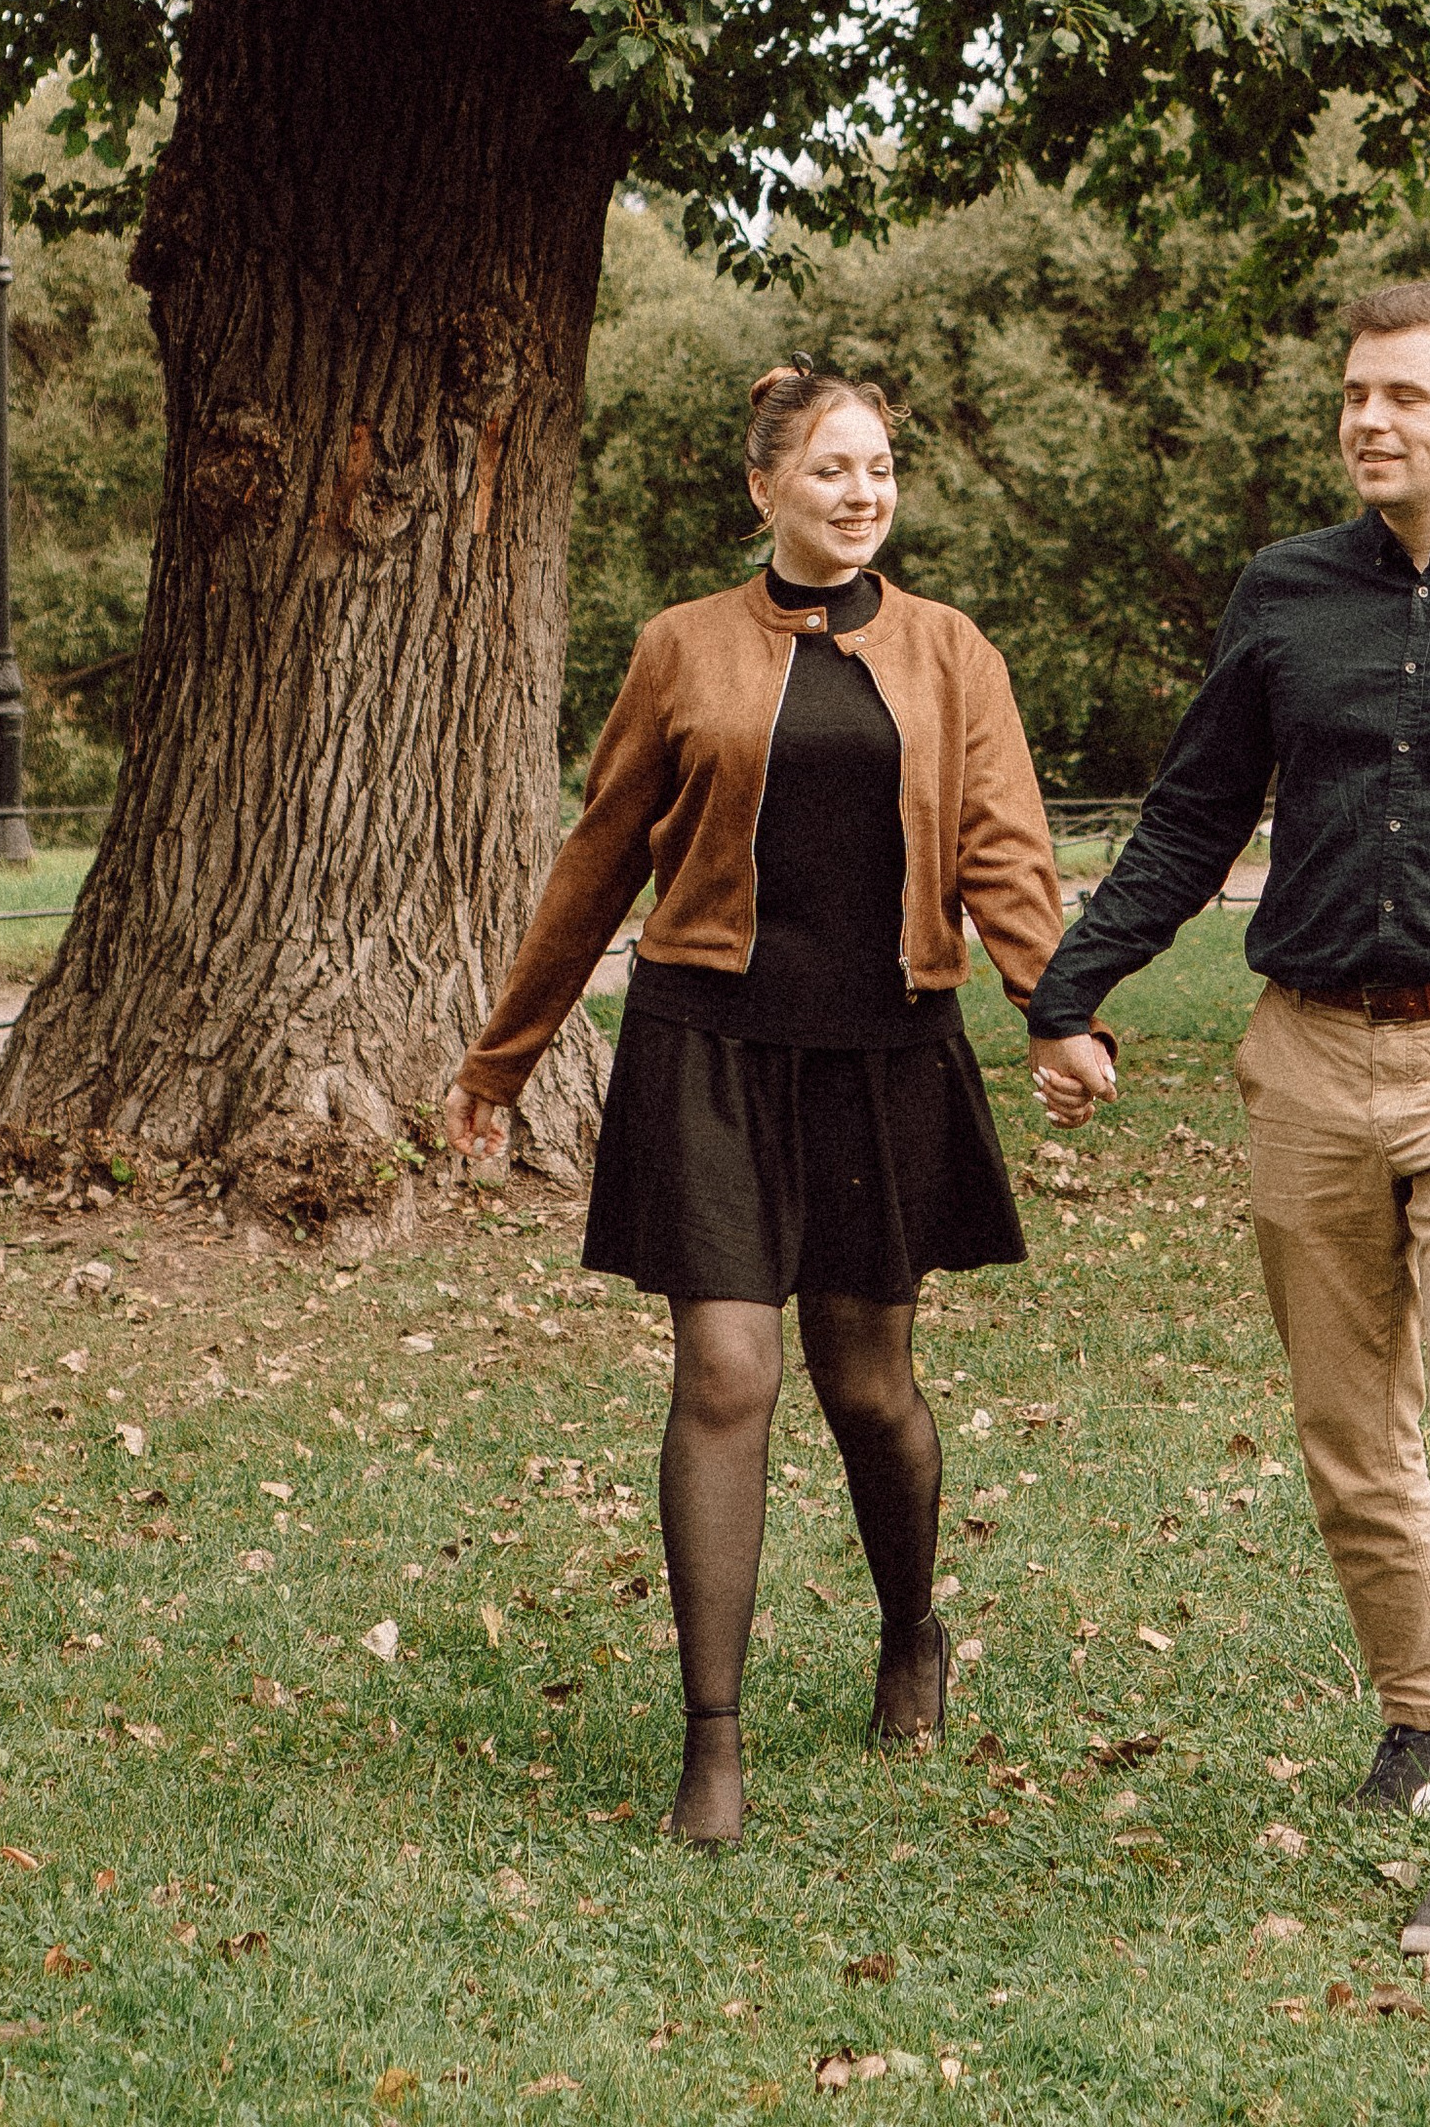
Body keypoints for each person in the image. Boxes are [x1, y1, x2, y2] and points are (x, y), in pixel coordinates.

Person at [1027, 280, 1430, 1962]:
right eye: (1352, 397)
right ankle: (1413, 1708)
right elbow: (1188, 820)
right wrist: (1072, 984)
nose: (1370, 421)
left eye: (1404, 395)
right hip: (1308, 1066)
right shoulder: (1285, 597)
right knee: (1348, 1442)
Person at [443, 361, 1069, 1847]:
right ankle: (710, 1744)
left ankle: (911, 1624)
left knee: (868, 1388)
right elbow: (597, 857)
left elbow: (1004, 848)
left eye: (881, 470)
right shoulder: (681, 649)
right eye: (834, 470)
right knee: (726, 1373)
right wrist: (502, 1057)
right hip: (710, 1042)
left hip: (883, 1052)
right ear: (766, 488)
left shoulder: (949, 650)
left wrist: (1063, 1011)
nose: (863, 495)